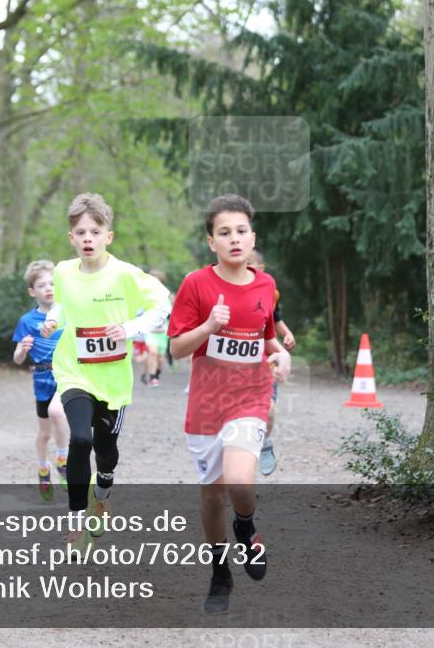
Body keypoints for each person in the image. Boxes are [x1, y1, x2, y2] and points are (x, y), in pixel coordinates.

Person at [169, 194, 292, 613]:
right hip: (206, 405)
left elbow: (267, 338)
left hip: (250, 396)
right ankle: (220, 572)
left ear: (252, 237)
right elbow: (177, 350)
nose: (234, 239)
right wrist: (208, 325)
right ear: (212, 242)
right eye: (225, 233)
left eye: (241, 231)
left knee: (240, 483)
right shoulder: (196, 285)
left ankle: (247, 527)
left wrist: (281, 355)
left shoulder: (266, 284)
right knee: (211, 495)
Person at [41, 193, 171, 551]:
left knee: (106, 451)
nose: (87, 238)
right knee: (80, 440)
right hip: (74, 371)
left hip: (113, 380)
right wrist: (52, 320)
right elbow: (63, 305)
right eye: (80, 232)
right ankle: (75, 525)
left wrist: (129, 329)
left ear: (107, 237)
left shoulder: (126, 275)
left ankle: (104, 491)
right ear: (71, 238)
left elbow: (163, 304)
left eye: (95, 231)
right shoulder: (63, 271)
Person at [11, 260, 69, 502]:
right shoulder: (27, 321)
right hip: (42, 378)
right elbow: (17, 359)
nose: (48, 288)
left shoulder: (67, 314)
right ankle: (43, 470)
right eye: (42, 285)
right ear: (32, 291)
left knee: (59, 414)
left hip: (65, 375)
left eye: (52, 283)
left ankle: (63, 461)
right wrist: (23, 350)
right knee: (44, 433)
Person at [247, 250, 297, 475]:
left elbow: (275, 319)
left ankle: (264, 443)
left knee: (268, 409)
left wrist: (287, 334)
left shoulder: (270, 292)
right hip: (231, 366)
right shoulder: (224, 290)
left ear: (261, 268)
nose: (245, 267)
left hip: (264, 361)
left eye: (250, 264)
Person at [144, 269, 173, 387]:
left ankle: (156, 373)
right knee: (152, 352)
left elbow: (171, 314)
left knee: (160, 358)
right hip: (150, 330)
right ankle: (152, 377)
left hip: (162, 331)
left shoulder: (166, 296)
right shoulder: (144, 295)